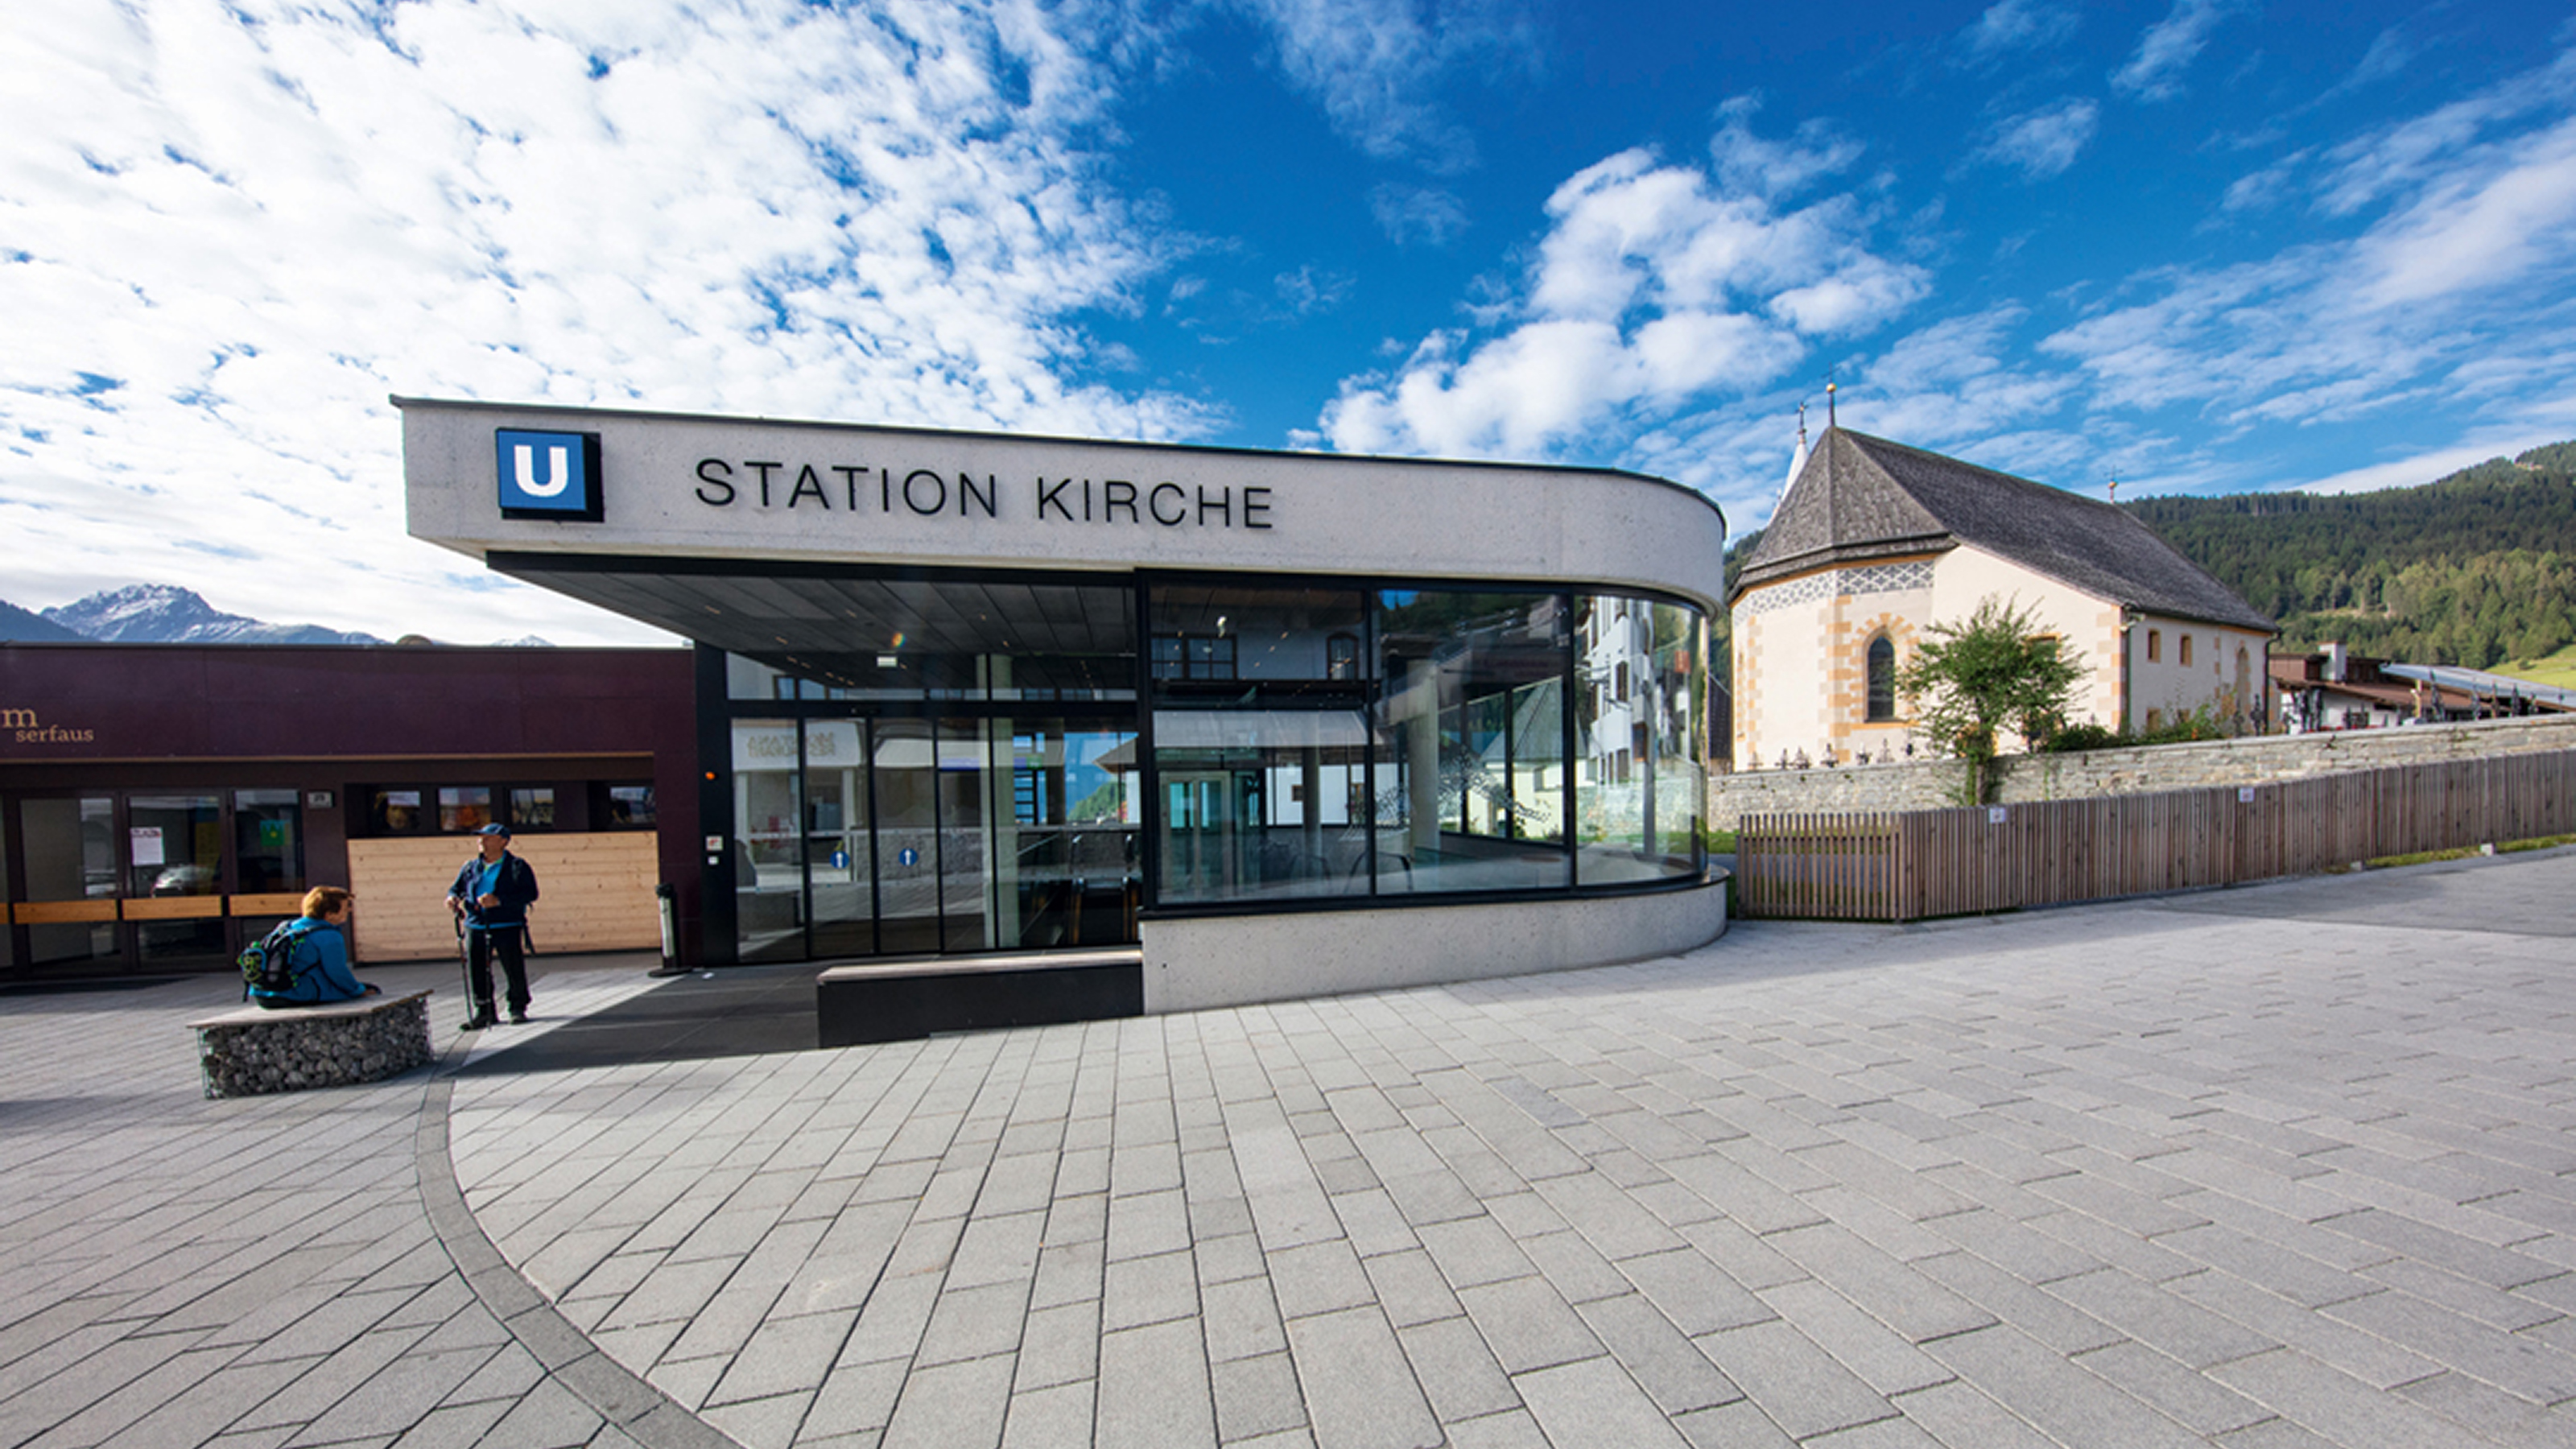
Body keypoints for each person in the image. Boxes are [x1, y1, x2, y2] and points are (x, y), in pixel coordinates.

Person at [446, 822, 539, 1030]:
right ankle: (485, 1011)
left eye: (488, 838)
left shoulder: (517, 866)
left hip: (506, 923)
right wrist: (452, 898)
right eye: (481, 838)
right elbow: (456, 888)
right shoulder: (470, 867)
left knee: (512, 967)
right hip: (476, 924)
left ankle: (517, 1007)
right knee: (477, 968)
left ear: (503, 842)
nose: (482, 841)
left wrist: (499, 901)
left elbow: (530, 894)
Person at [249, 886, 381, 1007]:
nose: (349, 910)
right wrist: (358, 990)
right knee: (371, 990)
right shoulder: (329, 936)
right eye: (346, 907)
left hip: (263, 995)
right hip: (295, 994)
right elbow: (337, 972)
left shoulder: (287, 927)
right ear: (329, 915)